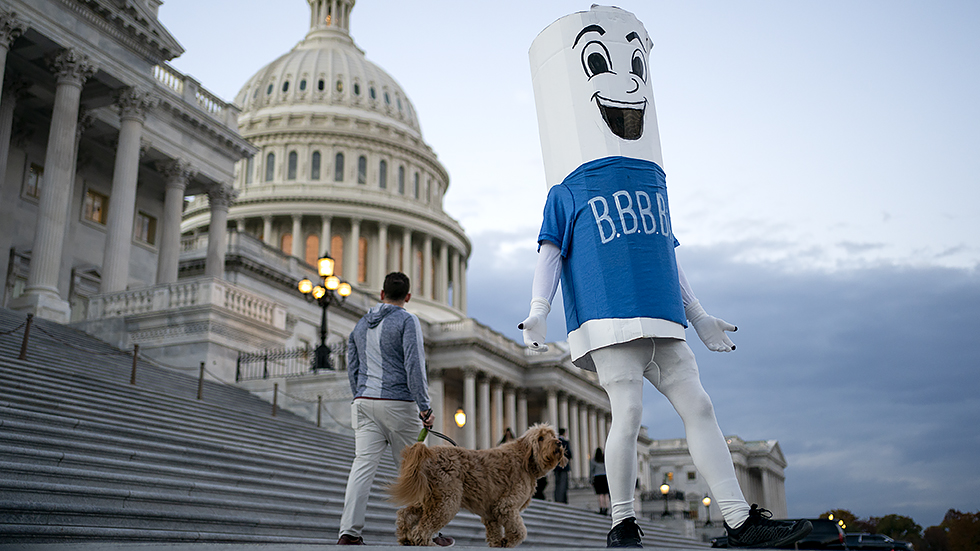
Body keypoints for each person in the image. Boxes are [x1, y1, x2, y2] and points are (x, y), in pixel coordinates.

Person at [522, 6, 812, 548]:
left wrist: (699, 316)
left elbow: (666, 253)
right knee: (626, 410)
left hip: (662, 312)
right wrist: (539, 309)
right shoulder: (567, 189)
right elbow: (549, 251)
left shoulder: (655, 181)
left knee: (700, 406)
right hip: (610, 315)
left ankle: (737, 519)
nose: (627, 82)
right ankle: (622, 519)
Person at [338, 272, 453, 547]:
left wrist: (360, 394)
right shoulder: (407, 320)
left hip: (364, 403)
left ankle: (348, 531)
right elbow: (415, 366)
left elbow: (351, 363)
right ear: (408, 297)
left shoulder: (361, 323)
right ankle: (429, 531)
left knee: (361, 468)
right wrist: (425, 407)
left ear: (382, 294)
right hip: (398, 404)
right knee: (415, 469)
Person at [554, 428, 572, 503]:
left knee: (557, 483)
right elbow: (569, 454)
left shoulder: (554, 443)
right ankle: (562, 499)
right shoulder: (565, 442)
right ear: (564, 433)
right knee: (563, 483)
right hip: (564, 466)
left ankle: (557, 498)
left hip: (556, 466)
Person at [590, 448, 609, 516]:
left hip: (597, 477)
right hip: (605, 477)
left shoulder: (593, 461)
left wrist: (591, 480)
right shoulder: (605, 460)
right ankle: (606, 507)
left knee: (600, 494)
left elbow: (591, 471)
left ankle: (601, 507)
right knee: (606, 494)